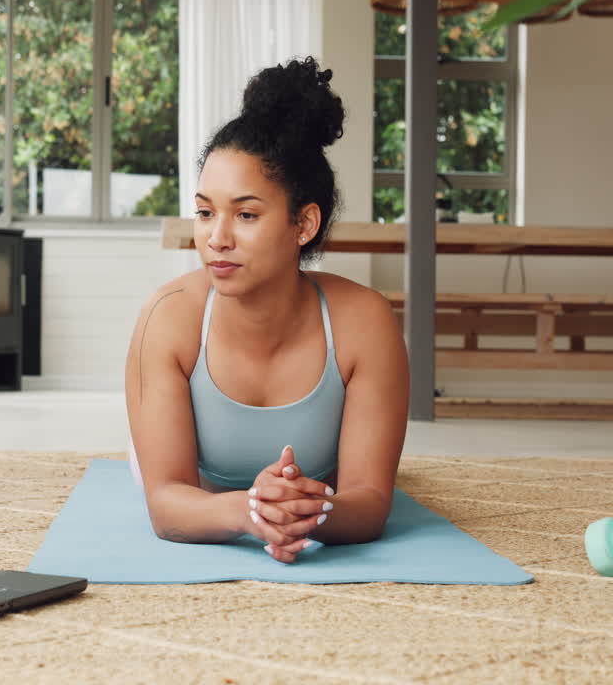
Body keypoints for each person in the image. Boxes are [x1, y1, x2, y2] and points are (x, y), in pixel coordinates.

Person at [124, 56, 409, 564]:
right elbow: (167, 504)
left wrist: (306, 513)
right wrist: (251, 511)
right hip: (200, 496)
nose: (217, 238)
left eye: (246, 214)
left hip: (306, 496)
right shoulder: (167, 317)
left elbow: (368, 501)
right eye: (205, 212)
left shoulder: (365, 322)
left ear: (304, 225)